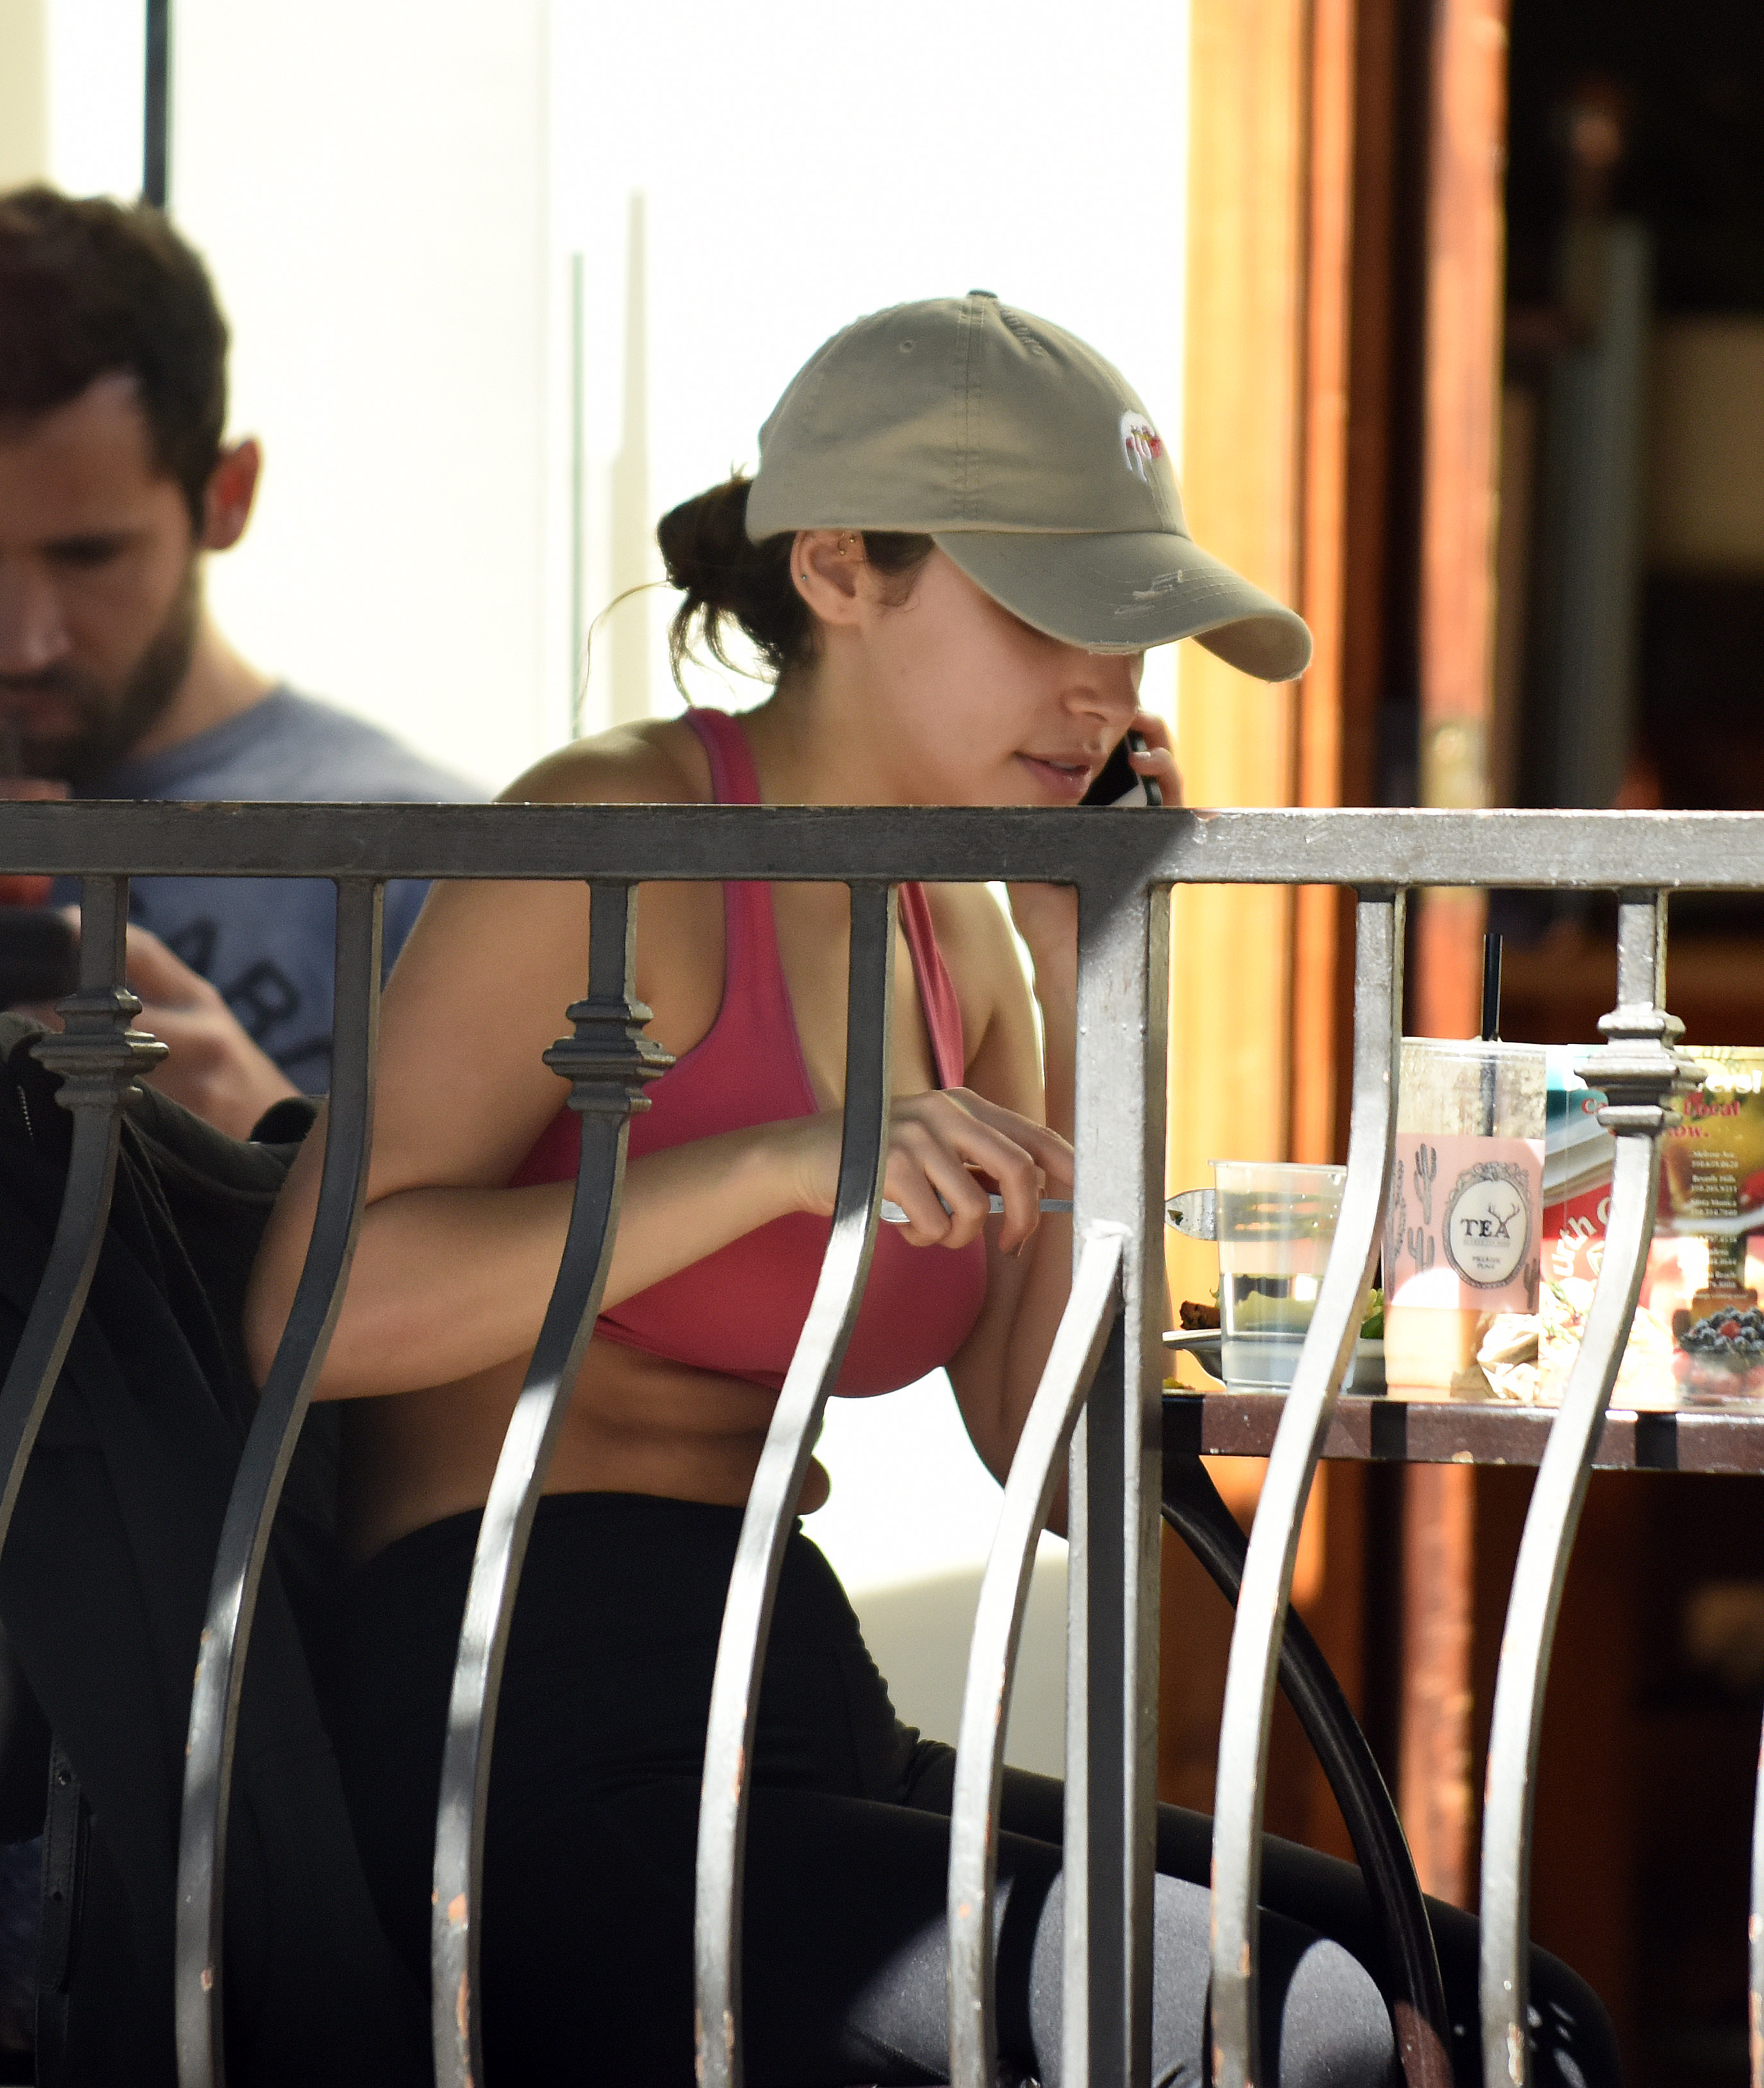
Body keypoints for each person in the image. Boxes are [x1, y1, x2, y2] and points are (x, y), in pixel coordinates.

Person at [248, 293, 1620, 2086]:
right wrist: (776, 1167)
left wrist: (1078, 965)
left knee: (1526, 2017)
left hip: (799, 1691)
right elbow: (312, 1311)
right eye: (1048, 618)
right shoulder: (611, 839)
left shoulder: (963, 930)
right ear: (838, 568)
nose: (1104, 692)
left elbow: (1049, 1452)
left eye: (1132, 641)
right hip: (531, 1728)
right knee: (1305, 2035)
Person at [0, 186, 481, 1138]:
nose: (20, 644)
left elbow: (572, 1234)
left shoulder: (429, 867)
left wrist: (274, 1145)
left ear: (227, 496)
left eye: (88, 556)